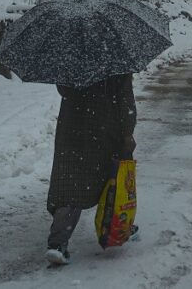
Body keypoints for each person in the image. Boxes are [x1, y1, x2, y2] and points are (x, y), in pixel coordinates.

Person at [45, 72, 136, 265]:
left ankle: (58, 243)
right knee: (114, 181)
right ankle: (117, 225)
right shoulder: (117, 56)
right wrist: (128, 133)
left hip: (72, 125)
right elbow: (125, 98)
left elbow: (63, 89)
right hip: (106, 125)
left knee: (71, 183)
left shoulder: (69, 54)